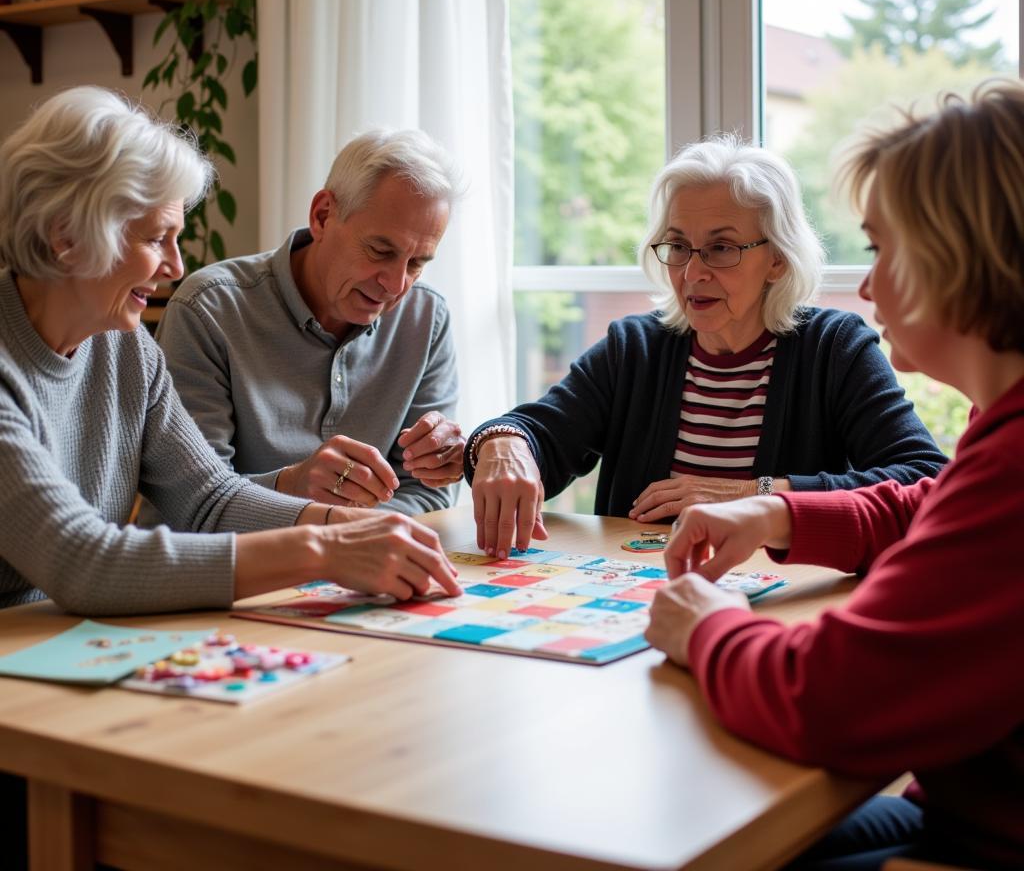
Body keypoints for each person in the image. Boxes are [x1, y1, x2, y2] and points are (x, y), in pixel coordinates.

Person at [645, 81, 1024, 870]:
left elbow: (828, 700)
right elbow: (935, 503)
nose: (867, 283)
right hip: (962, 814)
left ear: (962, 257)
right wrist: (778, 516)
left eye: (884, 248)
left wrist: (705, 627)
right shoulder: (1004, 433)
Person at [0, 86, 461, 616]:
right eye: (156, 240)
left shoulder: (127, 351)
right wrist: (325, 548)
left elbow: (208, 499)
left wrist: (357, 528)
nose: (175, 267)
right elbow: (89, 564)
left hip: (57, 638)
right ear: (65, 236)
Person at [465, 136, 946, 558]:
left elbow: (924, 479)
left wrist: (755, 495)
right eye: (678, 246)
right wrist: (503, 442)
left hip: (777, 600)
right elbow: (536, 436)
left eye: (721, 248)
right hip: (634, 598)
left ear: (777, 260)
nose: (693, 273)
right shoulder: (633, 349)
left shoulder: (834, 348)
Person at [154, 128, 466, 517]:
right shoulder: (209, 309)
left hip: (359, 567)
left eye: (417, 263)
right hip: (235, 573)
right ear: (322, 216)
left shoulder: (426, 319)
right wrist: (292, 488)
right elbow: (188, 502)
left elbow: (428, 494)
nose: (395, 284)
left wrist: (351, 539)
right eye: (380, 250)